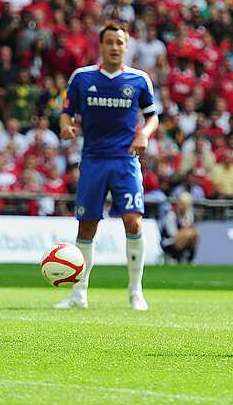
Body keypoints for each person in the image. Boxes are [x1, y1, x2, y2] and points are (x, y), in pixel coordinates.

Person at [53, 23, 160, 311]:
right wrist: (65, 128)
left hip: (125, 160)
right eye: (109, 41)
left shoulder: (139, 80)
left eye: (119, 42)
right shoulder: (82, 78)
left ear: (126, 47)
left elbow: (152, 117)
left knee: (133, 221)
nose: (114, 46)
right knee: (87, 225)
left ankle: (136, 291)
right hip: (93, 159)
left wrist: (144, 134)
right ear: (101, 46)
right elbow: (66, 113)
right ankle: (79, 293)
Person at [160, 192, 199, 264]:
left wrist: (188, 232)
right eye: (180, 203)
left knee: (195, 233)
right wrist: (186, 231)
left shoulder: (189, 215)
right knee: (189, 233)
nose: (180, 205)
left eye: (183, 204)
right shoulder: (171, 215)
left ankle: (190, 259)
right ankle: (178, 258)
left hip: (184, 239)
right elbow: (173, 234)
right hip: (169, 241)